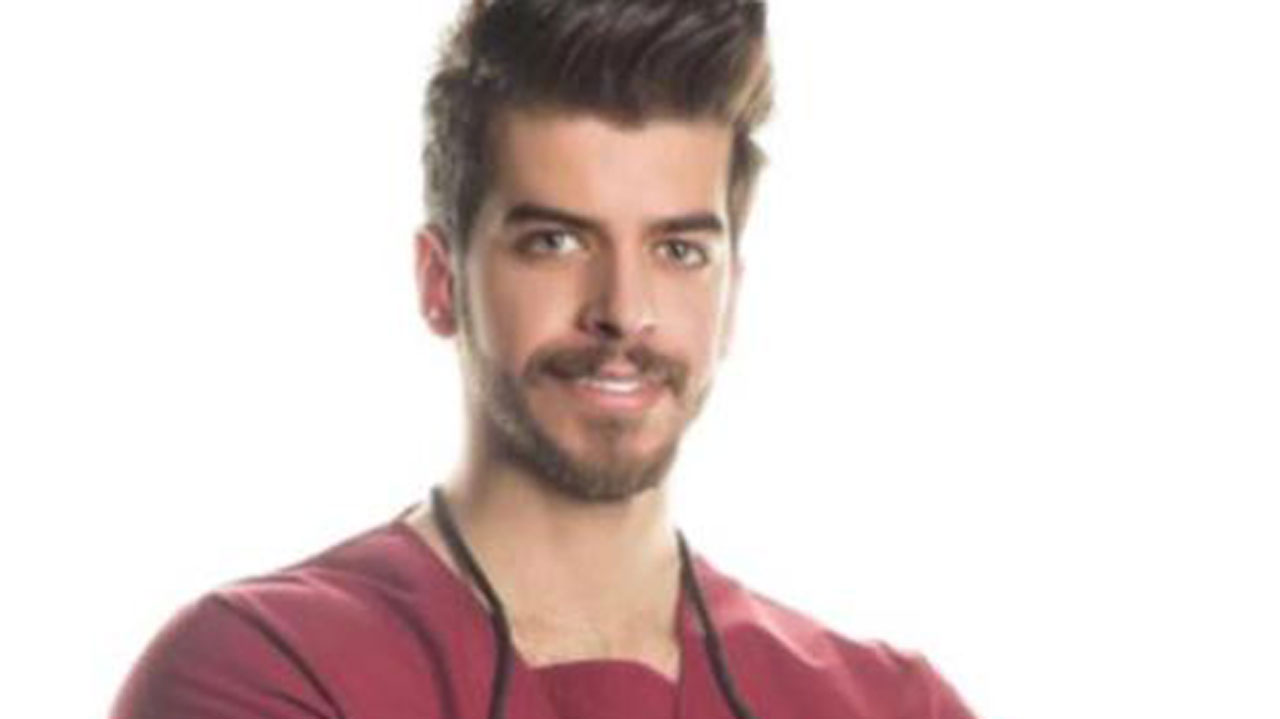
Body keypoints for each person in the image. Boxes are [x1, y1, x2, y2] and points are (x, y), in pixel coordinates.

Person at [112, 1, 977, 717]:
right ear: (440, 281)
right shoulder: (264, 668)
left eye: (679, 251)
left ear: (731, 297)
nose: (623, 311)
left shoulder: (891, 703)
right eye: (556, 241)